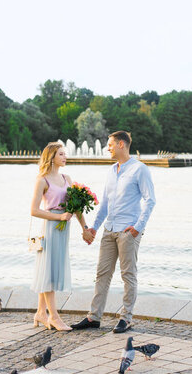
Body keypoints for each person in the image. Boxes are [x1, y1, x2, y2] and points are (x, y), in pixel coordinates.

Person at [72, 131, 156, 333]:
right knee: (102, 274)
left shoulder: (139, 169)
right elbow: (105, 204)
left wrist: (137, 227)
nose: (107, 148)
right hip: (109, 230)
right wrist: (93, 227)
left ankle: (126, 318)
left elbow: (150, 200)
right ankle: (93, 318)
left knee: (128, 275)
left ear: (120, 144)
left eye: (109, 145)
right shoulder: (111, 171)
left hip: (128, 231)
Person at [30, 141, 89, 331]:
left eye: (65, 154)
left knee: (50, 270)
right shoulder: (42, 180)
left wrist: (85, 228)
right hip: (50, 229)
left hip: (64, 229)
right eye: (61, 154)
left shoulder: (67, 178)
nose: (65, 157)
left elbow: (76, 207)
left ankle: (41, 312)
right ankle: (54, 316)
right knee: (48, 271)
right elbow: (34, 210)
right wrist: (58, 216)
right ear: (52, 157)